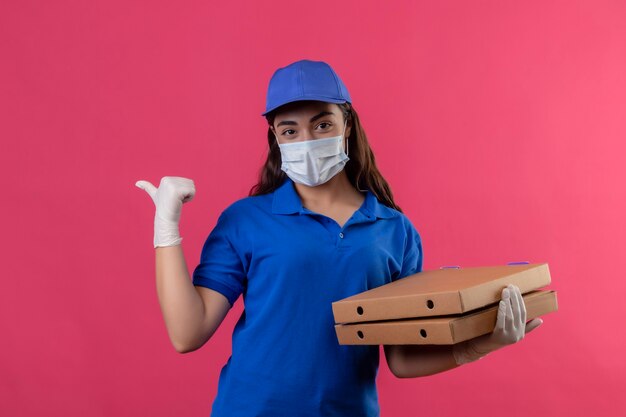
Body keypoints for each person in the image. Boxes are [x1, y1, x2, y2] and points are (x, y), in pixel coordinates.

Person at [135, 59, 543, 417]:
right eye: (289, 130)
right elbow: (187, 333)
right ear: (275, 139)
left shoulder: (394, 230)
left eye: (322, 124)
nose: (307, 141)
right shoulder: (246, 220)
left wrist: (477, 346)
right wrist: (166, 228)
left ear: (347, 125)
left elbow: (401, 356)